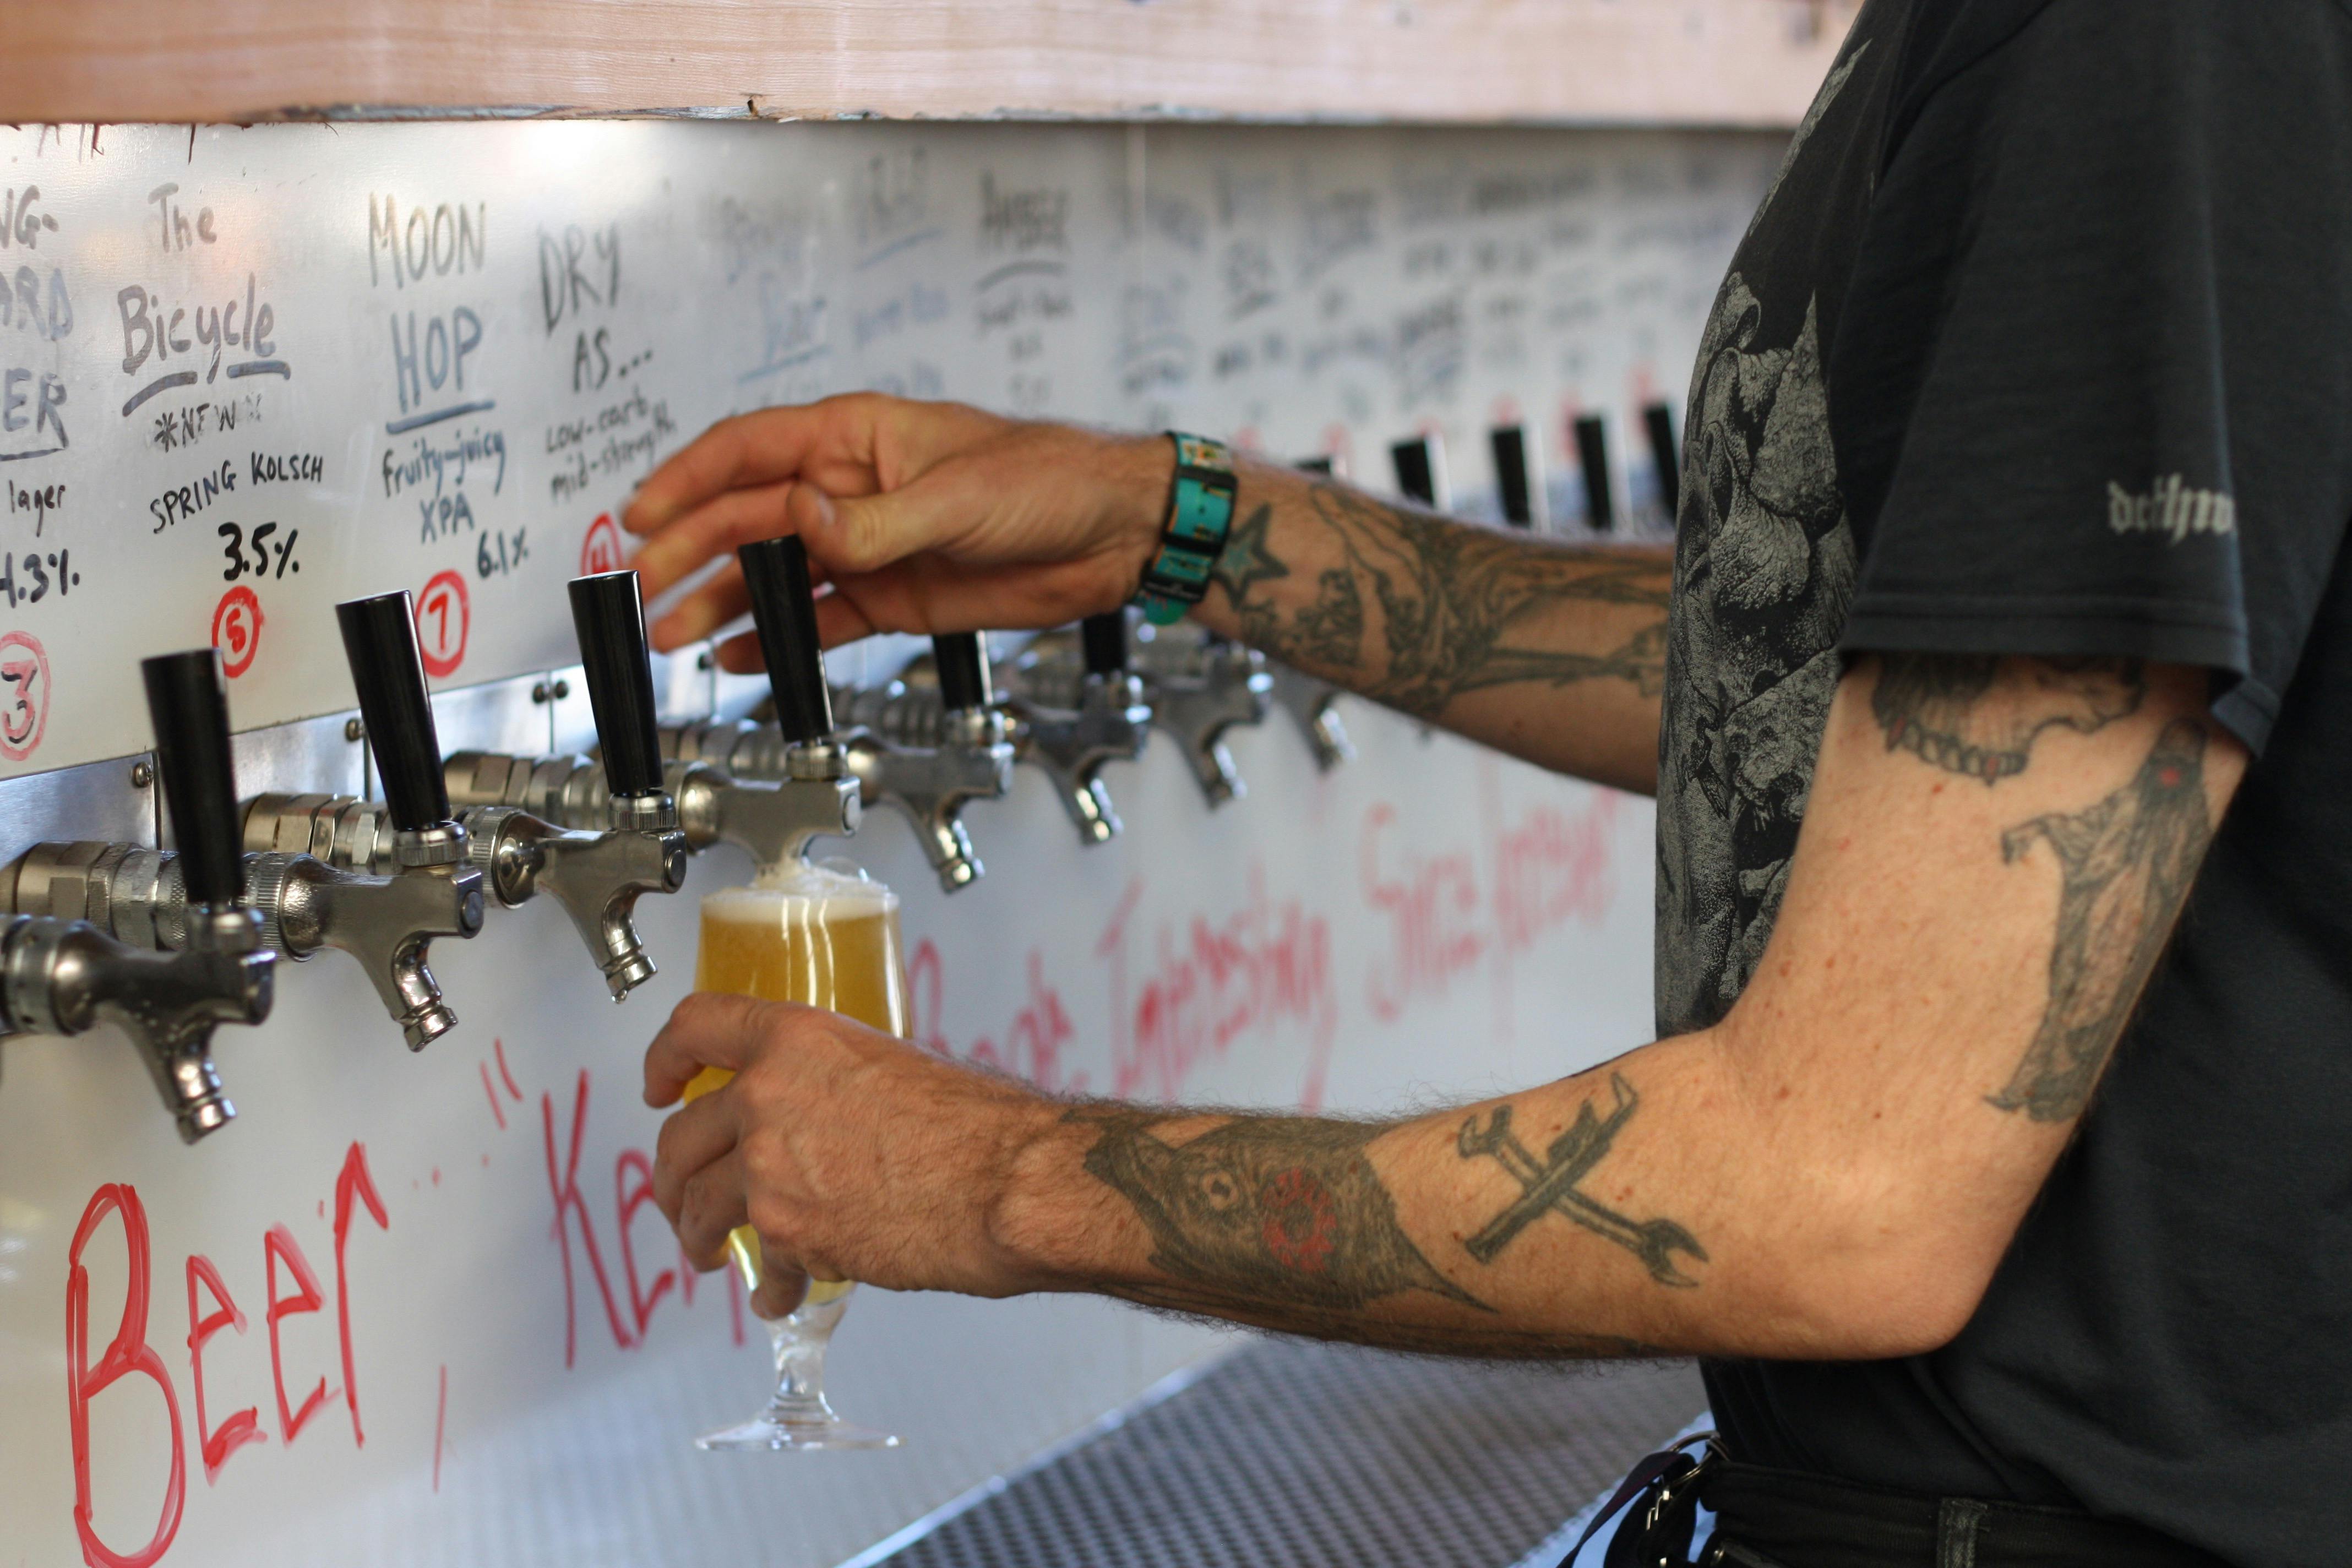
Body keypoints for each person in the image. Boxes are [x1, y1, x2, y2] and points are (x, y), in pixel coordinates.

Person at [623, 3, 2352, 1563]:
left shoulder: (2136, 45)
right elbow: (1818, 692)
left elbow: (1843, 1196)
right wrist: (1180, 529)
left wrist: (999, 1176)